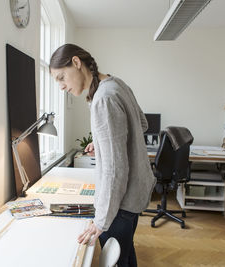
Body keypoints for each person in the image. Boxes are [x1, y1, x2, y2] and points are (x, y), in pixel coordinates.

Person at [49, 44, 155, 267]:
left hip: (121, 201)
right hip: (136, 193)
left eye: (61, 77)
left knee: (118, 260)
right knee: (125, 253)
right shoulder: (116, 84)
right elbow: (142, 124)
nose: (61, 86)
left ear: (76, 63)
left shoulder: (102, 99)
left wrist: (101, 221)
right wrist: (105, 145)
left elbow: (114, 171)